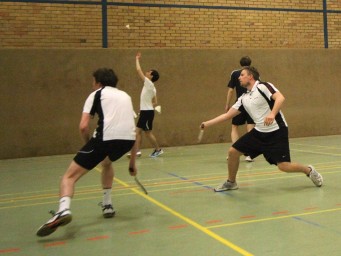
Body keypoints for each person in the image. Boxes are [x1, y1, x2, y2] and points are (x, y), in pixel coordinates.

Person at [36, 68, 138, 237]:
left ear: (98, 82)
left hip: (104, 140)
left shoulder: (96, 94)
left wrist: (88, 147)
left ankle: (63, 210)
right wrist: (132, 163)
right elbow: (132, 130)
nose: (92, 85)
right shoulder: (126, 96)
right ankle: (107, 204)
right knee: (107, 162)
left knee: (68, 177)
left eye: (93, 82)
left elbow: (83, 126)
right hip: (126, 142)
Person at [201, 66, 323, 192]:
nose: (239, 77)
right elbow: (227, 115)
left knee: (283, 166)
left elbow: (280, 98)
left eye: (242, 75)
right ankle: (231, 182)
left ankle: (309, 171)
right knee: (233, 152)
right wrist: (207, 123)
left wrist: (272, 114)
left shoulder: (263, 86)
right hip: (259, 133)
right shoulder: (243, 98)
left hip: (277, 132)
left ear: (250, 76)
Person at [128, 52, 163, 158]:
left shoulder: (149, 83)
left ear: (151, 76)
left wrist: (137, 59)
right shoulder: (152, 87)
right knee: (138, 131)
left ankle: (158, 149)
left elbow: (138, 70)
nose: (146, 72)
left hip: (147, 113)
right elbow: (155, 102)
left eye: (148, 72)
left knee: (146, 133)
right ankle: (137, 151)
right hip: (146, 112)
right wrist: (145, 107)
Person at [225, 56, 255, 162]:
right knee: (250, 129)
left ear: (240, 63)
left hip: (240, 104)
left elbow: (230, 91)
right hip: (252, 103)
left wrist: (227, 105)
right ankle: (250, 155)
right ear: (250, 63)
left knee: (234, 127)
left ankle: (235, 152)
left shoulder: (235, 73)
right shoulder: (254, 74)